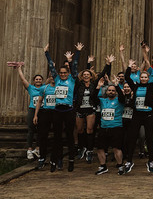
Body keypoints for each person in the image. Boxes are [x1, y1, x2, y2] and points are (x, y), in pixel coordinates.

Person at [45, 42, 81, 172]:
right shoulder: (57, 79)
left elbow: (75, 67)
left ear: (68, 73)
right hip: (57, 110)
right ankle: (55, 161)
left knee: (70, 136)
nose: (62, 74)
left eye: (65, 72)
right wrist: (46, 53)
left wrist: (77, 53)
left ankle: (71, 161)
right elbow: (51, 66)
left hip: (69, 110)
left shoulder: (72, 79)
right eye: (61, 73)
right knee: (57, 137)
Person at [123, 58, 153, 173]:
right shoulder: (135, 86)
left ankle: (150, 161)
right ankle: (129, 161)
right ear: (140, 78)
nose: (144, 79)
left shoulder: (151, 86)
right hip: (137, 115)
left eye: (146, 77)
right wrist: (129, 67)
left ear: (148, 78)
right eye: (142, 77)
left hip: (148, 115)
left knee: (149, 138)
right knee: (132, 137)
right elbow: (127, 78)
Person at [74, 55, 112, 164]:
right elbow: (74, 72)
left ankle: (90, 150)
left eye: (88, 74)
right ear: (82, 76)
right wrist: (87, 63)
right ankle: (82, 148)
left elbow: (102, 73)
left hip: (90, 109)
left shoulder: (94, 84)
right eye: (84, 74)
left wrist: (108, 63)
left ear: (91, 77)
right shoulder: (79, 84)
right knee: (80, 130)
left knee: (89, 130)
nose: (86, 76)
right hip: (80, 110)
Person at [14, 64, 43, 160]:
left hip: (42, 111)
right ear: (34, 81)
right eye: (36, 79)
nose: (38, 80)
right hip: (32, 109)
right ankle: (29, 149)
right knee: (31, 130)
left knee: (40, 130)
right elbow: (23, 79)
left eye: (40, 79)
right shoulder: (31, 88)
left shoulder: (44, 88)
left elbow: (51, 78)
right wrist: (19, 69)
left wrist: (52, 66)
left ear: (42, 81)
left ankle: (38, 148)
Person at [32, 76, 58, 170]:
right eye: (52, 77)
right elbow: (39, 101)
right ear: (50, 78)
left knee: (57, 136)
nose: (53, 79)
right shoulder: (44, 87)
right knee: (43, 135)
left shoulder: (60, 87)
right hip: (46, 112)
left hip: (57, 112)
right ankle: (42, 158)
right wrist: (36, 115)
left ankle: (56, 158)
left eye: (55, 77)